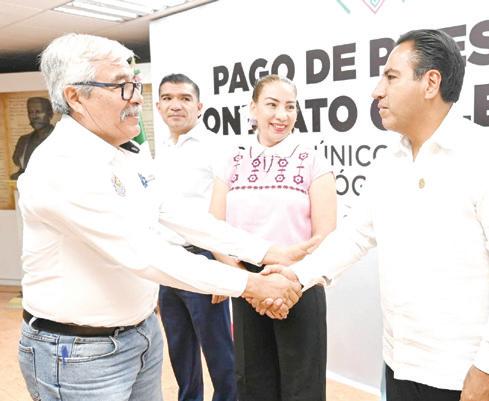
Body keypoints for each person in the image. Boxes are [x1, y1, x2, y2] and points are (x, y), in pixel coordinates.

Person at [16, 33, 310, 401]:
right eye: (121, 86)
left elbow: (174, 212)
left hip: (139, 335)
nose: (137, 97)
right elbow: (144, 252)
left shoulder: (126, 151)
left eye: (135, 83)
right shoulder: (61, 166)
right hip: (80, 355)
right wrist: (251, 284)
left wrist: (266, 252)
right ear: (76, 96)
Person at [260, 30, 489, 401]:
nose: (377, 91)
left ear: (431, 83)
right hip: (399, 365)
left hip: (465, 374)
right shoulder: (388, 162)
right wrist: (297, 276)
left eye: (391, 77)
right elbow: (355, 236)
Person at [210, 74, 337, 401]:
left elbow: (326, 235)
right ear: (253, 108)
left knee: (303, 387)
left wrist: (290, 281)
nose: (282, 115)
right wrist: (248, 284)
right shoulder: (232, 160)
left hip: (299, 283)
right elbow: (214, 230)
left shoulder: (313, 159)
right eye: (272, 104)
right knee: (253, 383)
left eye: (290, 107)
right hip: (246, 282)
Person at [154, 73, 237, 401]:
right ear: (158, 106)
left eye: (185, 98)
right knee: (181, 354)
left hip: (203, 259)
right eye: (168, 98)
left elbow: (228, 209)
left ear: (199, 106)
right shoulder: (160, 149)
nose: (176, 105)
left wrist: (224, 269)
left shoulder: (216, 148)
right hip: (167, 262)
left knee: (220, 355)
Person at [10, 97, 55, 179]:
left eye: (38, 112)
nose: (34, 116)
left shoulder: (63, 139)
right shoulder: (23, 141)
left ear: (50, 114)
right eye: (31, 112)